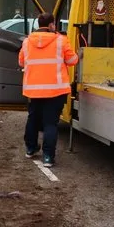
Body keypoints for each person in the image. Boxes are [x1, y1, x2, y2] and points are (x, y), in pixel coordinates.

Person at [18, 12, 79, 167]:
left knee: (33, 119)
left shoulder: (27, 41)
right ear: (52, 25)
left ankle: (30, 149)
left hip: (33, 90)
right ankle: (47, 157)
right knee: (50, 124)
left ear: (39, 25)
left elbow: (21, 62)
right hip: (55, 90)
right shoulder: (61, 40)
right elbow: (72, 61)